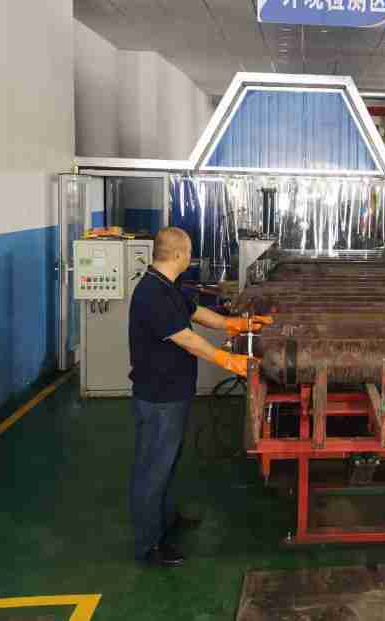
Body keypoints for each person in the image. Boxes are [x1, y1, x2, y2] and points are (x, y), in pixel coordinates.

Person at [128, 226, 271, 568]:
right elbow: (187, 339)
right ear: (178, 254)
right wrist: (230, 361)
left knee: (168, 461)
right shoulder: (151, 293)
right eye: (189, 252)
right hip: (159, 396)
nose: (190, 257)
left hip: (174, 391)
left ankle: (165, 520)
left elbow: (196, 313)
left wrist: (237, 324)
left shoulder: (168, 286)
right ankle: (149, 545)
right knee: (153, 469)